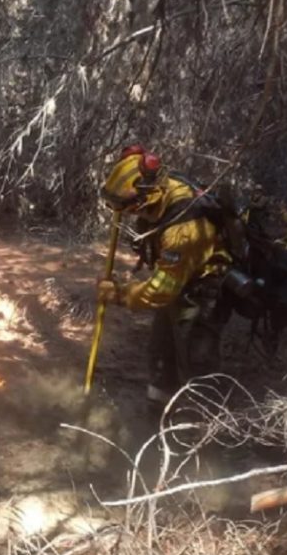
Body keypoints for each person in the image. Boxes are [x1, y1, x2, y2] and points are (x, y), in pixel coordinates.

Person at [97, 146, 233, 410]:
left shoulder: (184, 229)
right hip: (177, 282)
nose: (128, 213)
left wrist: (119, 294)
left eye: (130, 207)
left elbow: (161, 291)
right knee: (161, 351)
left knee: (196, 360)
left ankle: (202, 422)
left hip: (201, 292)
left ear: (148, 195)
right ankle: (159, 409)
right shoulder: (160, 187)